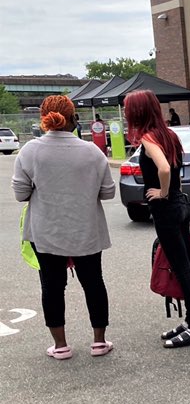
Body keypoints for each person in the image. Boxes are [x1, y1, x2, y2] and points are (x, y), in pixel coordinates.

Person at [12, 95, 115, 360]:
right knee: (93, 283)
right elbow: (107, 193)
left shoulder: (30, 151)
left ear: (43, 119)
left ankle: (60, 346)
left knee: (52, 286)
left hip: (46, 230)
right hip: (86, 228)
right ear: (73, 118)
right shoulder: (92, 151)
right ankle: (99, 342)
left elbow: (21, 193)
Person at [124, 90, 190, 349]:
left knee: (181, 266)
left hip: (166, 208)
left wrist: (162, 192)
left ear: (137, 112)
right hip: (180, 204)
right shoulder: (168, 134)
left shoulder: (148, 138)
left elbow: (164, 168)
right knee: (187, 265)